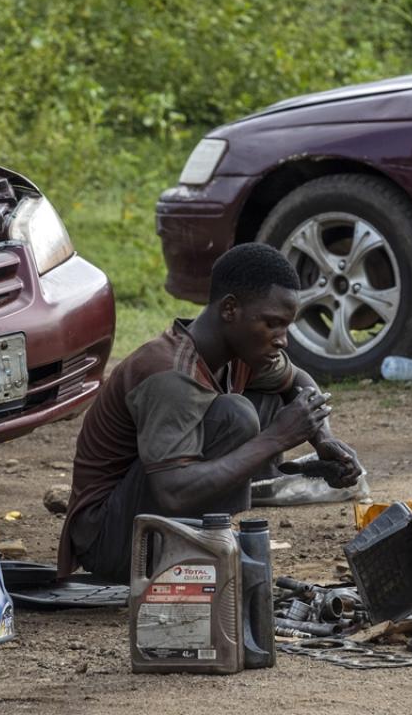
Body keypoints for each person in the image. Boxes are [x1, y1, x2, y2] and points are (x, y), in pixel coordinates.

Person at [57, 243, 363, 583]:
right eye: (273, 324)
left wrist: (323, 440)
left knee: (269, 403)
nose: (282, 340)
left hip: (143, 515)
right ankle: (198, 546)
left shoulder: (239, 350)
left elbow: (299, 382)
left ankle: (203, 539)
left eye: (286, 327)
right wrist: (276, 437)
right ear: (230, 309)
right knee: (237, 414)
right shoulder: (171, 375)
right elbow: (173, 492)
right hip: (111, 543)